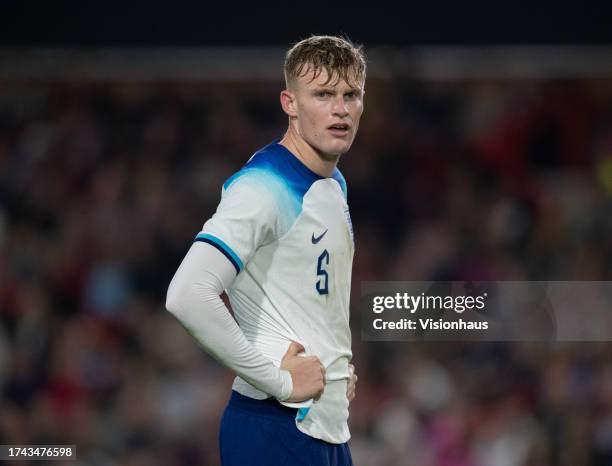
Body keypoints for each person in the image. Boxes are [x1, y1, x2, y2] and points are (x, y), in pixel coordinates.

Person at [165, 35, 366, 466]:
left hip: (323, 431)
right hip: (274, 428)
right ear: (289, 103)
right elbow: (187, 294)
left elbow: (306, 299)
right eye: (324, 94)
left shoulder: (333, 184)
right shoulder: (262, 187)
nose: (341, 108)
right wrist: (279, 381)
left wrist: (333, 370)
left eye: (351, 95)